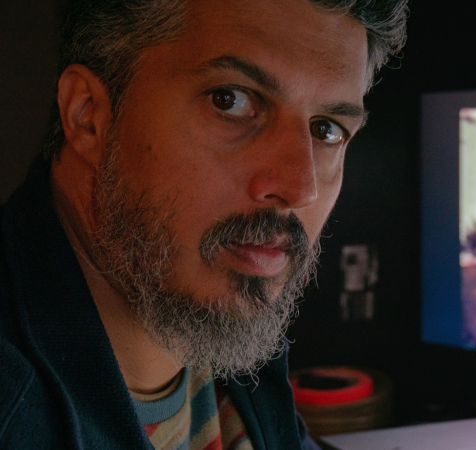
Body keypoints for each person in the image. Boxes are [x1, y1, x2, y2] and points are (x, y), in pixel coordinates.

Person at [0, 0, 407, 448]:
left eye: (327, 129)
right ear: (88, 114)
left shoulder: (214, 335)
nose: (299, 187)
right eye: (230, 101)